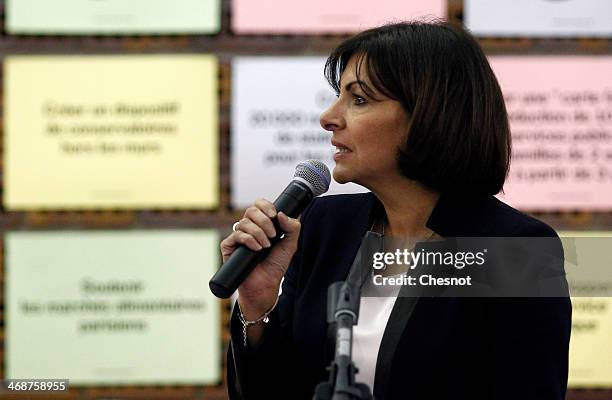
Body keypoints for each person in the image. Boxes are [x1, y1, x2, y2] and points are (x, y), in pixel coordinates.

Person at [221, 21, 571, 400]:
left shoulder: (515, 249)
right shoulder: (324, 225)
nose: (328, 117)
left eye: (358, 99)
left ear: (429, 113)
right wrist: (257, 305)